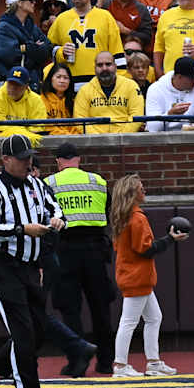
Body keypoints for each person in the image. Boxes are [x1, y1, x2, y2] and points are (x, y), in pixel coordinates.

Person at [0, 133, 63, 388]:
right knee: (22, 331)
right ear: (5, 159)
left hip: (29, 265)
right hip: (1, 264)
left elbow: (54, 207)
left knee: (37, 331)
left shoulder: (37, 184)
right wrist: (22, 229)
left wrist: (58, 219)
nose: (27, 163)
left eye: (29, 158)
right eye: (21, 158)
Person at [45, 141, 114, 372]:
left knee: (69, 308)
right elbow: (107, 214)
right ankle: (106, 362)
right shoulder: (98, 181)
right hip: (96, 249)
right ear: (79, 160)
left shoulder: (49, 183)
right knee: (101, 307)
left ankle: (78, 360)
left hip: (65, 250)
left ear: (58, 161)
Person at [107, 171, 185, 377]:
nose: (145, 191)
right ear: (132, 194)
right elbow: (146, 249)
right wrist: (170, 239)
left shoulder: (122, 217)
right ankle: (120, 365)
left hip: (131, 274)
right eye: (141, 189)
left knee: (154, 318)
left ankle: (153, 362)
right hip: (137, 276)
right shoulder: (137, 218)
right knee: (129, 321)